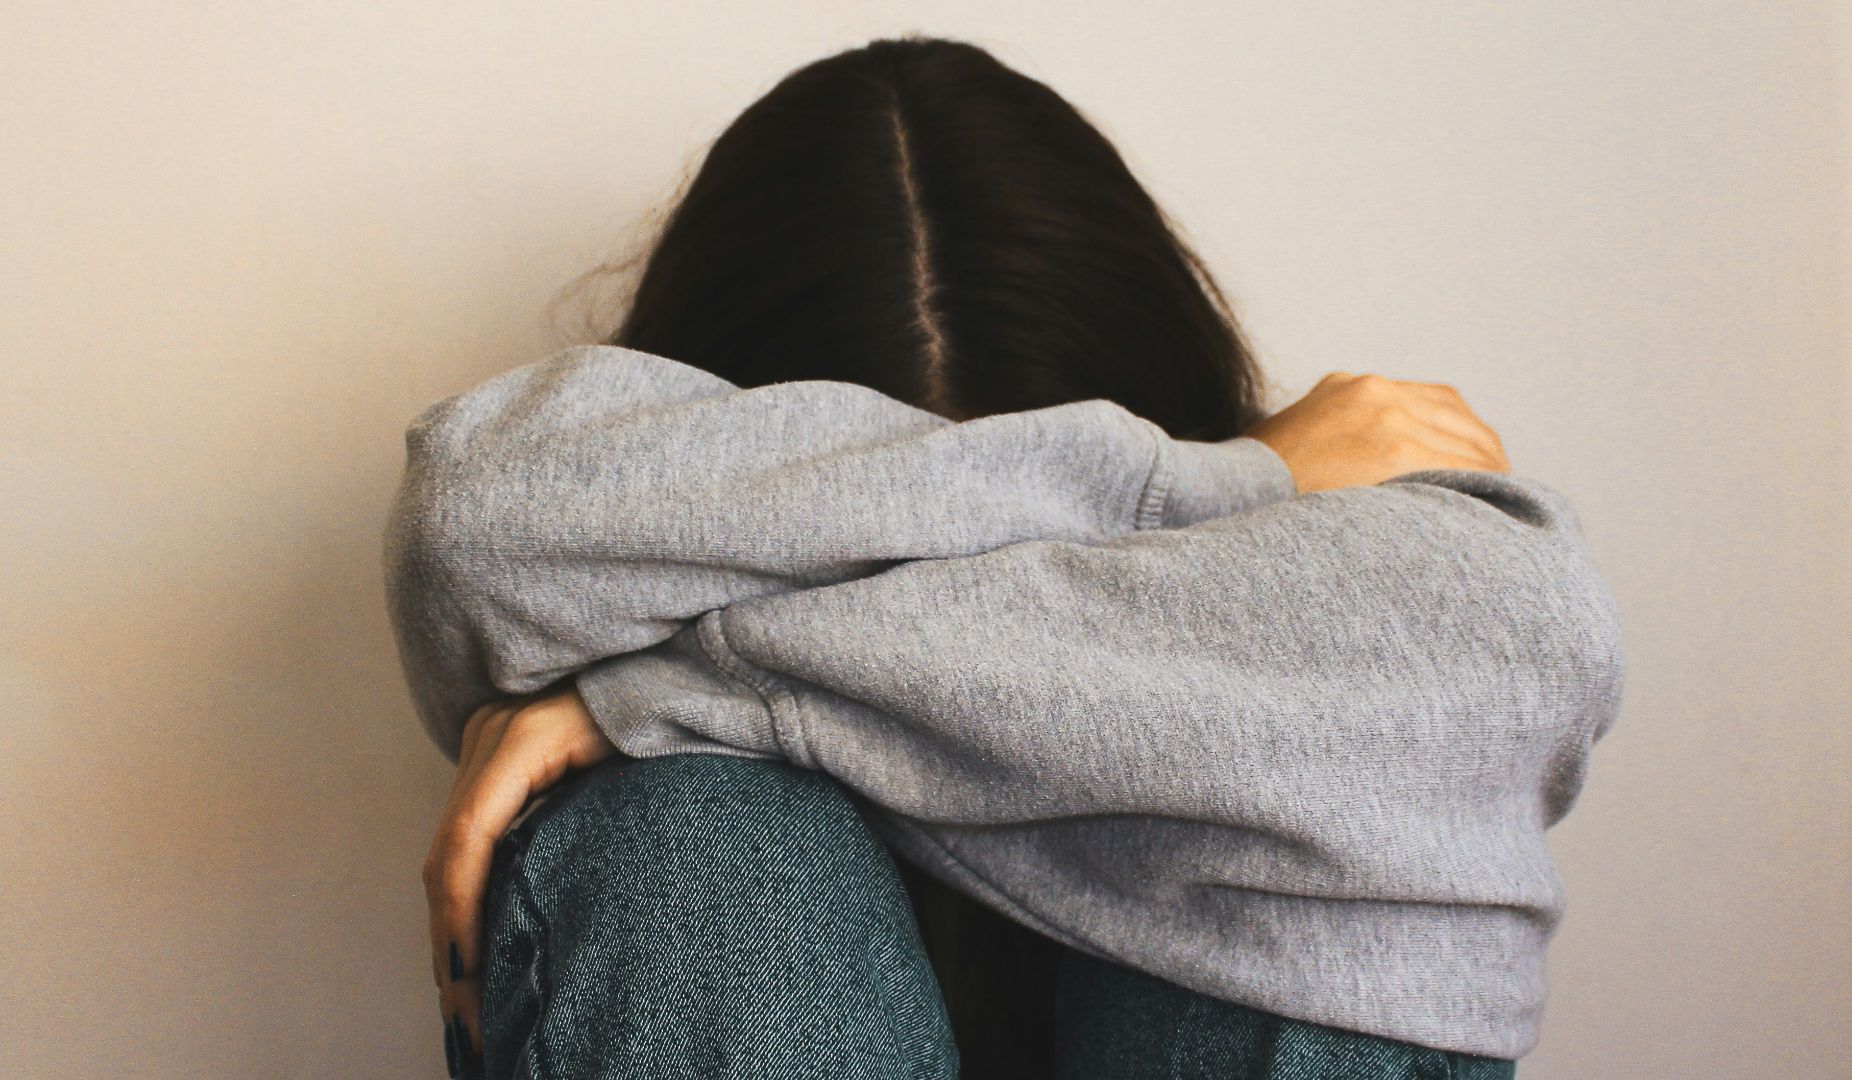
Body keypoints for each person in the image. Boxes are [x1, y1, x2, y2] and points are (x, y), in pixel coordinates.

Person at [383, 35, 1623, 1080]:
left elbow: (1531, 637)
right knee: (686, 834)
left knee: (1346, 826)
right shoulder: (1242, 493)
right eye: (875, 543)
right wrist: (1218, 489)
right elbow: (471, 524)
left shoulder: (1331, 562)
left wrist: (666, 684)